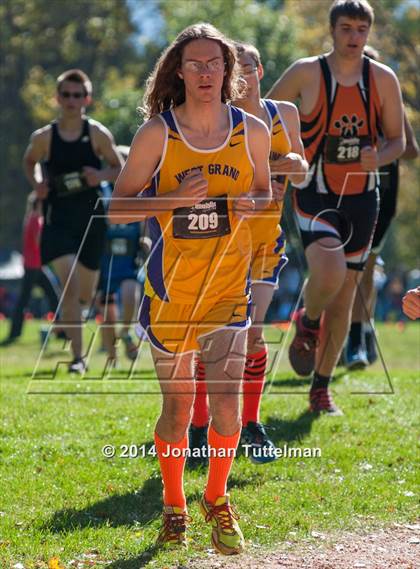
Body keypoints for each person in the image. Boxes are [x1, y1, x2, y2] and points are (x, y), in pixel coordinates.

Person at [110, 23, 271, 554]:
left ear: (229, 71)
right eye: (195, 64)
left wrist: (252, 203)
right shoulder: (160, 133)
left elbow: (264, 191)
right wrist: (172, 199)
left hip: (228, 286)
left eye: (215, 63)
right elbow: (116, 209)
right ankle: (174, 504)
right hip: (172, 291)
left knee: (226, 409)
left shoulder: (251, 130)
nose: (205, 73)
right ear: (178, 70)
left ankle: (218, 500)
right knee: (179, 413)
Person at [267, 0, 405, 415]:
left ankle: (320, 389)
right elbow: (261, 118)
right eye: (346, 28)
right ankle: (308, 320)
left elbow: (398, 141)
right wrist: (283, 161)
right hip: (315, 192)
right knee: (329, 271)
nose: (354, 37)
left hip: (363, 197)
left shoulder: (381, 79)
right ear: (332, 31)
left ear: (369, 33)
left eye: (361, 29)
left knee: (345, 300)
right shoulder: (306, 72)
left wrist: (377, 158)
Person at [188, 41, 308, 465]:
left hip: (264, 239)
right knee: (212, 340)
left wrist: (276, 169)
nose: (242, 76)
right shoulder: (217, 120)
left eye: (248, 66)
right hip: (221, 241)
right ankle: (199, 428)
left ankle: (253, 425)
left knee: (254, 334)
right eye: (232, 69)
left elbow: (302, 168)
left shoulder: (282, 114)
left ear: (259, 70)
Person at [23, 69, 123, 373]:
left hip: (91, 220)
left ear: (87, 99)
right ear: (58, 98)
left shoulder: (97, 134)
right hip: (57, 221)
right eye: (66, 95)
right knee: (69, 287)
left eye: (77, 95)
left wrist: (100, 175)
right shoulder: (44, 137)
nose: (71, 101)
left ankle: (74, 327)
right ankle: (79, 358)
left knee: (84, 294)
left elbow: (118, 168)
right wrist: (37, 182)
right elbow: (29, 162)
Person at [345, 47, 419, 368]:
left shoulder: (390, 102)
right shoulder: (338, 101)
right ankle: (352, 331)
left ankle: (357, 339)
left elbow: (412, 149)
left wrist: (382, 148)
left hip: (381, 196)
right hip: (341, 194)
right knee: (342, 269)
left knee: (367, 265)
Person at [96, 147, 151, 369]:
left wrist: (146, 241)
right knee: (107, 313)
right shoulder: (102, 189)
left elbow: (147, 219)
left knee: (131, 295)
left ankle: (126, 331)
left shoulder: (141, 189)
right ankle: (112, 358)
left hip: (129, 259)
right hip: (105, 258)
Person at [1, 192, 59, 345]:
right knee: (53, 298)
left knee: (27, 300)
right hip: (36, 266)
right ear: (39, 204)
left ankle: (15, 333)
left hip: (31, 266)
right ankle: (62, 332)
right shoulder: (37, 220)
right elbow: (40, 242)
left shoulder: (29, 219)